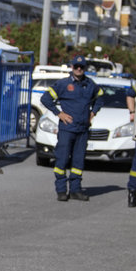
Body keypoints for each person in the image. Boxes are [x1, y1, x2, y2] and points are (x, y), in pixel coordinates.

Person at [39, 54, 103, 202]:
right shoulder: (63, 84)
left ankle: (75, 190)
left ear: (85, 68)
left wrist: (92, 113)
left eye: (82, 67)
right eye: (76, 66)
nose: (79, 69)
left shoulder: (90, 84)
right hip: (67, 129)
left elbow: (100, 98)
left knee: (78, 161)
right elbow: (46, 99)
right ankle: (61, 190)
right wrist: (59, 113)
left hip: (82, 130)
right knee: (61, 160)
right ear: (72, 67)